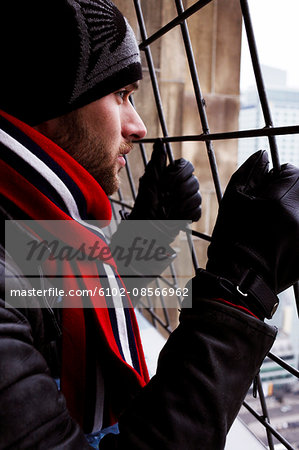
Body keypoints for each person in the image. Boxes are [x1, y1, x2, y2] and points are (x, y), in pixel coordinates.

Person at [0, 1, 298, 449]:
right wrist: (242, 286)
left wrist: (149, 233)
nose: (138, 126)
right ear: (51, 102)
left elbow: (51, 299)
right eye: (121, 94)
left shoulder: (19, 218)